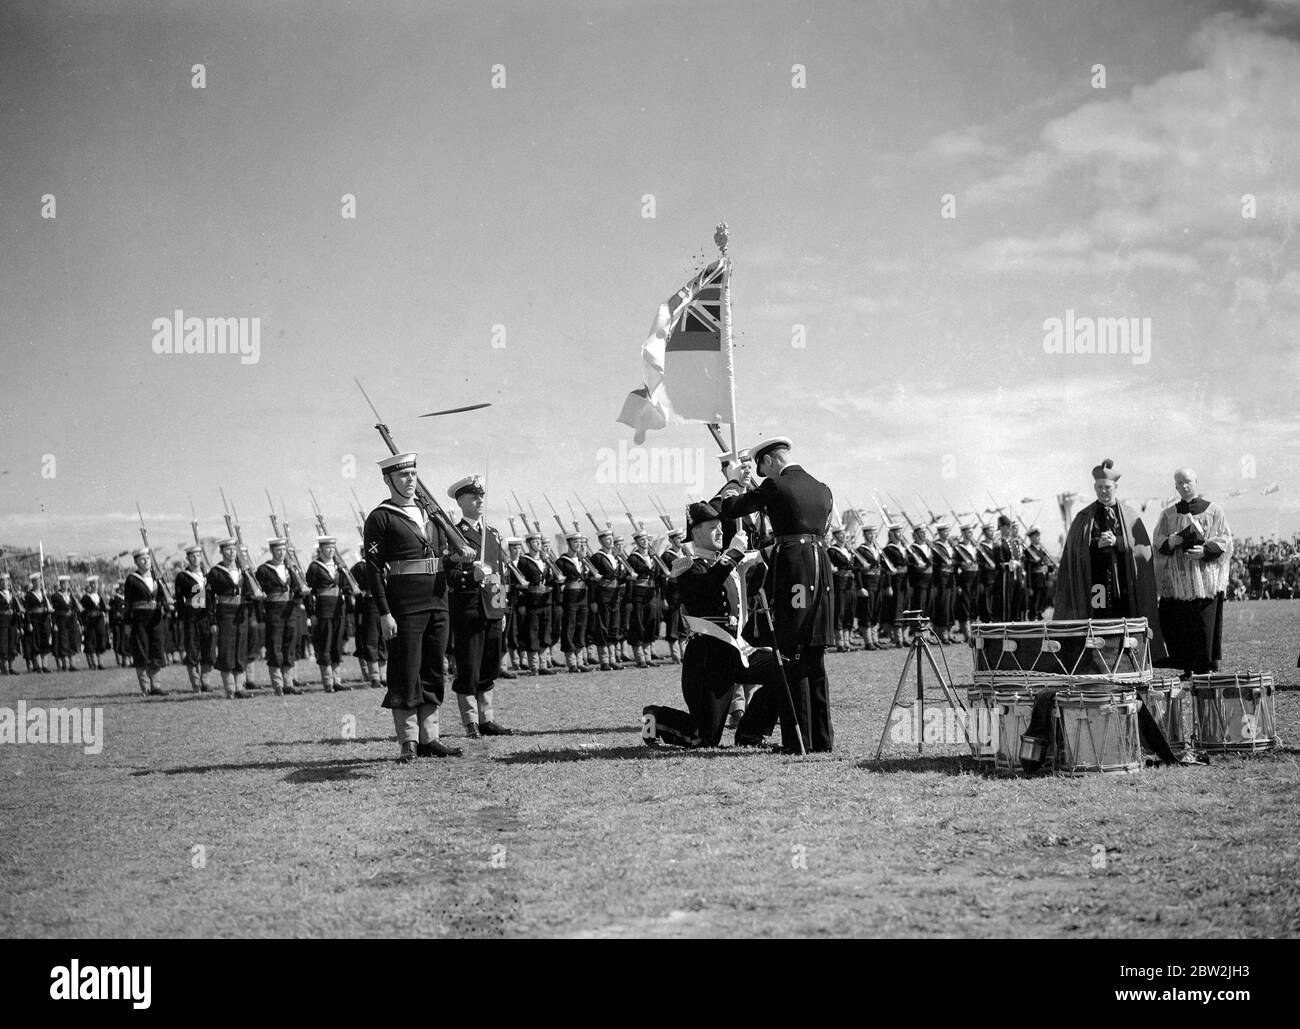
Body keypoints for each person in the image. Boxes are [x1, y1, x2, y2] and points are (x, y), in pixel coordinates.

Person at [715, 436, 834, 753]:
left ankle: (799, 741)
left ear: (768, 461)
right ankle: (821, 739)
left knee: (791, 655)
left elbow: (730, 509)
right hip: (821, 569)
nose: (762, 474)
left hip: (793, 569)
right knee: (814, 658)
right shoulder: (823, 489)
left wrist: (733, 482)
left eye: (760, 468)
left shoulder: (775, 487)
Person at [641, 502, 786, 748]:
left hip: (736, 651)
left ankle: (750, 733)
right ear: (695, 532)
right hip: (709, 658)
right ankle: (654, 717)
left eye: (720, 527)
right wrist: (733, 554)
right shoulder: (686, 565)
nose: (720, 532)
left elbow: (763, 555)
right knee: (703, 738)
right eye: (712, 528)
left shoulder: (727, 565)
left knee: (783, 670)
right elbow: (706, 587)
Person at [364, 452, 463, 761]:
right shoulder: (381, 517)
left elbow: (438, 559)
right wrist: (384, 612)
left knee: (433, 667)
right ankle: (408, 741)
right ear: (388, 479)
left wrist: (456, 559)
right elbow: (372, 569)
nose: (410, 480)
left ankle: (430, 737)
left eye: (413, 474)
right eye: (404, 475)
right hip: (404, 604)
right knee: (406, 670)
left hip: (437, 599)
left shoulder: (431, 514)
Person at [1055, 458, 1166, 661]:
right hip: (1096, 582)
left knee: (1124, 615)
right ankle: (1099, 658)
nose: (1103, 491)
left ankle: (1126, 659)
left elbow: (1142, 549)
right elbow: (1074, 550)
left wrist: (1118, 541)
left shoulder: (1131, 516)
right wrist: (1096, 544)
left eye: (1107, 487)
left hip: (1124, 581)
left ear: (1115, 486)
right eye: (1099, 487)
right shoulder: (1084, 516)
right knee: (1099, 617)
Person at [445, 474, 514, 738]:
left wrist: (501, 607)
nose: (479, 500)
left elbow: (500, 573)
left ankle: (487, 719)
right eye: (473, 496)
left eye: (482, 496)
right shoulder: (455, 535)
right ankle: (471, 721)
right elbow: (448, 574)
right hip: (469, 608)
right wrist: (468, 576)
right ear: (460, 501)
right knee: (468, 666)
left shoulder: (492, 534)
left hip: (492, 608)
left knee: (489, 665)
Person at [1153, 469, 1232, 677]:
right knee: (1181, 623)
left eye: (1187, 481)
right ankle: (1187, 666)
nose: (1184, 486)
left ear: (1196, 482)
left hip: (1205, 578)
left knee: (1204, 624)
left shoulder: (1214, 510)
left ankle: (1205, 667)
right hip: (1179, 579)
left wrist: (1205, 550)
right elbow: (1158, 541)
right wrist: (1172, 541)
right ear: (1175, 487)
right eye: (1179, 483)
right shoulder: (1169, 513)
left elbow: (1225, 539)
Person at [255, 538, 304, 695]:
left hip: (289, 611)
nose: (281, 552)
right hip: (273, 612)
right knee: (275, 646)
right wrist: (260, 617)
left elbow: (298, 590)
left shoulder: (290, 569)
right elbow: (258, 595)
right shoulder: (263, 570)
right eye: (278, 549)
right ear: (272, 551)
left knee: (289, 645)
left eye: (283, 549)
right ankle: (278, 684)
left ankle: (288, 682)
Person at [207, 539, 252, 698]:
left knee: (240, 648)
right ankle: (230, 688)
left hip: (241, 613)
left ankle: (240, 687)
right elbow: (209, 599)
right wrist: (212, 620)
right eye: (228, 549)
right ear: (221, 551)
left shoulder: (244, 571)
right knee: (227, 650)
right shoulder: (215, 572)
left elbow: (250, 593)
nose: (231, 552)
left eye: (234, 549)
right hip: (225, 613)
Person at [306, 535, 350, 692]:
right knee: (325, 644)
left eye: (332, 547)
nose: (330, 550)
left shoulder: (340, 566)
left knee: (337, 645)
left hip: (339, 609)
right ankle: (328, 682)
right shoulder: (314, 567)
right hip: (323, 610)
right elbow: (308, 592)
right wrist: (311, 613)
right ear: (321, 549)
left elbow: (347, 586)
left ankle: (337, 680)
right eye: (327, 547)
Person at [124, 547, 168, 695]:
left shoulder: (157, 578)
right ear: (136, 562)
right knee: (142, 651)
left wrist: (167, 606)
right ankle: (145, 687)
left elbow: (162, 597)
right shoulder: (132, 579)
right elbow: (128, 603)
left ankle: (156, 685)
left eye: (148, 558)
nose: (146, 561)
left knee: (156, 649)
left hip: (155, 618)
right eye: (142, 559)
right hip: (139, 619)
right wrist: (128, 623)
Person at [556, 530, 593, 673]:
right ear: (569, 543)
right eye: (575, 542)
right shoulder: (562, 561)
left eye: (579, 542)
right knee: (569, 627)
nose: (578, 545)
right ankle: (571, 662)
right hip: (570, 597)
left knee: (581, 626)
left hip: (583, 596)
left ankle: (580, 660)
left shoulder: (583, 560)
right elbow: (558, 583)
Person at [827, 527, 857, 652]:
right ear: (835, 536)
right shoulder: (832, 551)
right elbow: (845, 565)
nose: (844, 536)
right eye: (841, 534)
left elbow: (855, 566)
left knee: (849, 611)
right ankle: (839, 642)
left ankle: (847, 641)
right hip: (839, 583)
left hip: (850, 584)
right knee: (840, 611)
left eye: (844, 533)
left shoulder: (849, 550)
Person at [854, 523, 884, 650]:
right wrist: (860, 587)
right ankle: (868, 640)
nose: (872, 536)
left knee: (876, 611)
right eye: (869, 533)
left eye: (873, 533)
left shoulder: (878, 550)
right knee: (867, 612)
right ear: (864, 535)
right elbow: (858, 571)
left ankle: (875, 639)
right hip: (867, 584)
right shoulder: (860, 551)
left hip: (877, 583)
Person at [929, 521, 957, 643]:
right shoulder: (936, 547)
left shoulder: (951, 545)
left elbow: (956, 559)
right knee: (943, 605)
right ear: (939, 533)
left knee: (951, 605)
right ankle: (942, 632)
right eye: (944, 531)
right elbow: (933, 563)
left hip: (951, 577)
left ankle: (950, 631)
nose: (946, 533)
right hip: (941, 578)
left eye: (947, 531)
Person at [1023, 527, 1055, 620]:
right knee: (1035, 601)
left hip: (1043, 579)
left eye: (1038, 536)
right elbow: (1028, 569)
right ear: (1031, 538)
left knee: (1042, 600)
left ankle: (1039, 613)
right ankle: (1033, 616)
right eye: (1036, 536)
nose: (1038, 538)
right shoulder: (1029, 551)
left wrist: (1050, 569)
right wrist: (1029, 586)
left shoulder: (1041, 551)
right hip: (1035, 580)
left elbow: (1047, 564)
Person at [51, 574, 81, 672]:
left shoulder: (71, 596)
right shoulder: (55, 596)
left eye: (66, 583)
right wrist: (54, 623)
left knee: (72, 641)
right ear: (60, 584)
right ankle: (66, 664)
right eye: (63, 583)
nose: (65, 585)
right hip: (61, 621)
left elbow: (76, 609)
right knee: (64, 642)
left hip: (71, 621)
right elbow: (54, 611)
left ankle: (72, 664)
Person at [78, 575, 109, 671]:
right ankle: (94, 663)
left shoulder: (100, 596)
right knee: (92, 641)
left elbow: (104, 609)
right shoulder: (85, 598)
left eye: (95, 584)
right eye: (92, 584)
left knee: (100, 640)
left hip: (99, 621)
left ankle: (100, 662)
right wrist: (83, 623)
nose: (94, 586)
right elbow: (82, 612)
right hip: (90, 622)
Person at [0, 572, 22, 675]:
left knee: (12, 643)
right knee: (3, 644)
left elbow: (18, 609)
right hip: (2, 622)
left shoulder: (13, 594)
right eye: (2, 581)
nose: (5, 583)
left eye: (6, 581)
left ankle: (11, 666)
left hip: (12, 622)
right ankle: (5, 668)